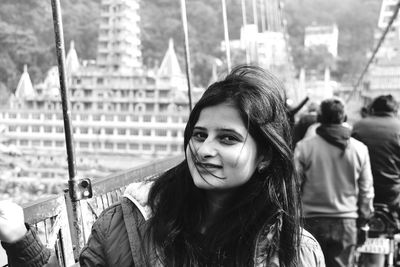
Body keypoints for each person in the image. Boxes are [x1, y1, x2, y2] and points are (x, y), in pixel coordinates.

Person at [0, 65, 325, 266]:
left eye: (227, 139)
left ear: (265, 155)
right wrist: (20, 240)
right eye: (199, 134)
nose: (204, 150)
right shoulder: (126, 224)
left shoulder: (296, 252)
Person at [294, 98, 374, 267]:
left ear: (319, 119)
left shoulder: (304, 147)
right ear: (343, 117)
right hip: (346, 222)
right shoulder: (360, 149)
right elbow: (366, 190)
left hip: (311, 221)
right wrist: (364, 219)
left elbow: (294, 186)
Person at [351, 95, 400, 267]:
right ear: (395, 110)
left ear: (372, 109)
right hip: (391, 196)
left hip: (359, 194)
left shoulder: (358, 126)